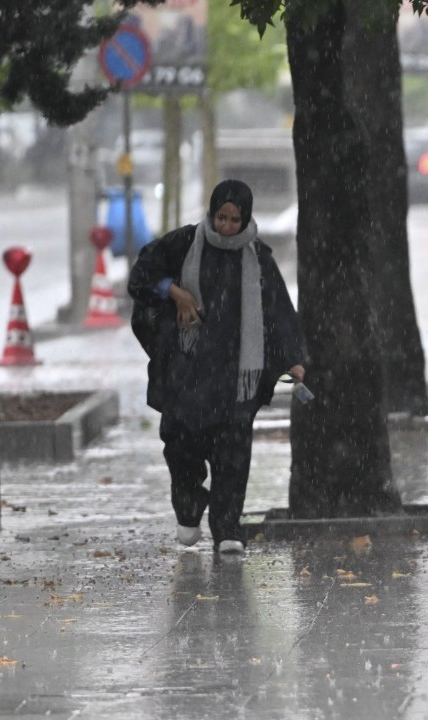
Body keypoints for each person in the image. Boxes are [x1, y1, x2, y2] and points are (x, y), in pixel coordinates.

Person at [128, 179, 308, 555]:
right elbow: (141, 276)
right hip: (187, 372)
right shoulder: (183, 244)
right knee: (180, 448)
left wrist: (294, 358)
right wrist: (174, 292)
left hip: (234, 375)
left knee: (233, 452)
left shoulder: (257, 258)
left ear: (245, 219)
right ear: (211, 213)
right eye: (221, 217)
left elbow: (277, 310)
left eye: (234, 219)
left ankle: (227, 527)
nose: (226, 226)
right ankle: (190, 506)